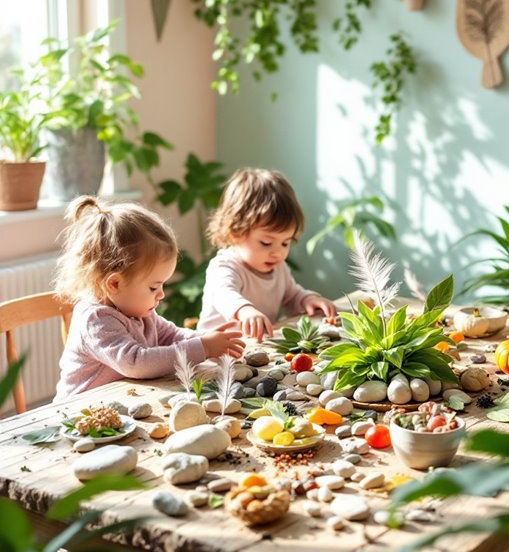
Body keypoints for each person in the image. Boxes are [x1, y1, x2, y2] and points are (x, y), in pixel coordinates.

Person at [53, 196, 245, 400]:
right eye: (154, 287)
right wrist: (203, 348)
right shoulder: (96, 320)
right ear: (114, 284)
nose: (161, 294)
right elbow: (136, 362)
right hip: (78, 415)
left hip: (122, 403)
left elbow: (170, 335)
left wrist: (204, 338)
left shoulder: (136, 310)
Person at [197, 168, 336, 342]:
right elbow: (224, 294)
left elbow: (292, 295)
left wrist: (308, 299)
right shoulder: (224, 266)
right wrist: (245, 310)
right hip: (214, 354)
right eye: (266, 243)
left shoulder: (279, 268)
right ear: (236, 232)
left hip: (254, 349)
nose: (278, 252)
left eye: (286, 242)